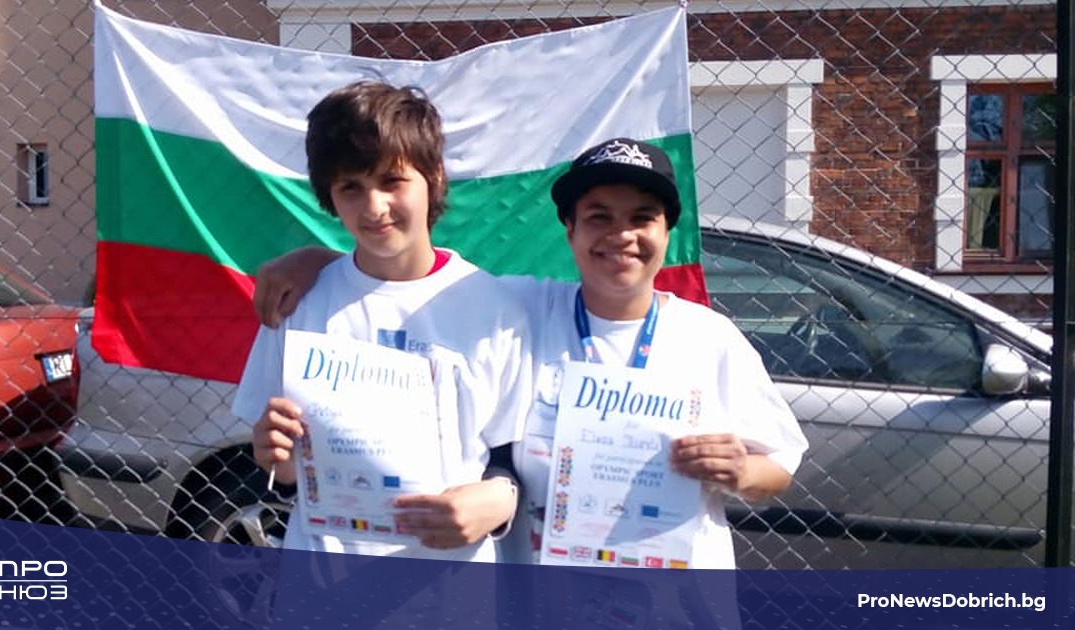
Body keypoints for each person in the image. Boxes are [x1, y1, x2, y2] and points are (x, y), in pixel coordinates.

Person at [253, 137, 807, 571]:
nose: (621, 235)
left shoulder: (709, 338)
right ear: (570, 230)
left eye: (642, 217)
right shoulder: (520, 311)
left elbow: (778, 468)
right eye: (599, 216)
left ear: (667, 232)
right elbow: (409, 274)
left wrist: (740, 471)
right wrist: (321, 262)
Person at [234, 80, 530, 564]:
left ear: (433, 176)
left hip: (450, 587)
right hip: (322, 585)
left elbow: (515, 461)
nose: (374, 207)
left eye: (392, 181)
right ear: (329, 196)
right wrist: (275, 457)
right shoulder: (300, 303)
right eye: (351, 187)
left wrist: (498, 499)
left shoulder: (496, 310)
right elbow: (282, 470)